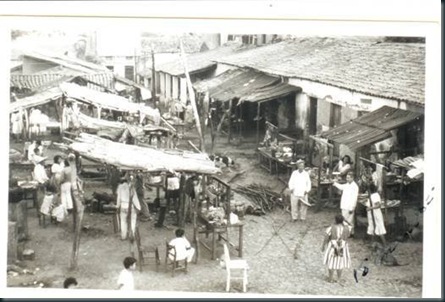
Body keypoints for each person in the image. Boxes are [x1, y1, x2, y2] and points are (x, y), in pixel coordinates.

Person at [321, 214, 352, 283]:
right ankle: (339, 278)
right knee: (340, 262)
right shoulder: (347, 228)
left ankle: (330, 278)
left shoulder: (331, 228)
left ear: (335, 220)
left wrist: (323, 246)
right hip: (343, 246)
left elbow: (326, 237)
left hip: (333, 245)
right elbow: (349, 233)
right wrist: (346, 221)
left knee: (331, 261)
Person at [333, 172, 359, 236]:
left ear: (352, 178)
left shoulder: (355, 186)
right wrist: (335, 183)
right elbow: (341, 187)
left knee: (349, 221)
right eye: (347, 178)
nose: (347, 179)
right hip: (344, 205)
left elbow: (354, 198)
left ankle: (351, 233)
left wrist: (352, 208)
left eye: (348, 178)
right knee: (344, 219)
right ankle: (346, 232)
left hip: (349, 206)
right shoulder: (347, 184)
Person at [116, 175, 141, 240]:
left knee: (123, 221)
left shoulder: (120, 187)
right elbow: (134, 198)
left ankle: (123, 236)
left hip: (123, 205)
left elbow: (118, 198)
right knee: (132, 220)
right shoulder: (131, 187)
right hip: (130, 206)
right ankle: (132, 234)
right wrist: (138, 207)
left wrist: (117, 206)